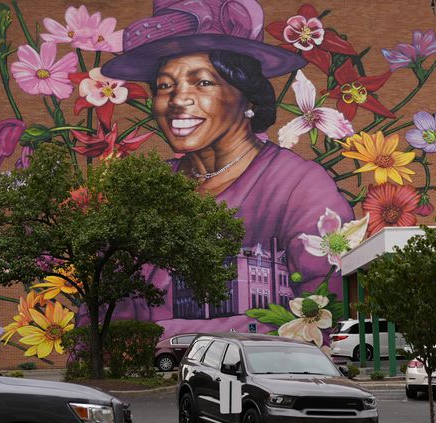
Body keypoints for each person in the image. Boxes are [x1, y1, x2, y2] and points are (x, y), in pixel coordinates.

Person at [100, 0, 355, 337]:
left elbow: (320, 313)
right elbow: (105, 306)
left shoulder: (300, 188)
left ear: (246, 97)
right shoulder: (147, 189)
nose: (177, 99)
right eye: (164, 85)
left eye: (202, 82)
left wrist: (160, 336)